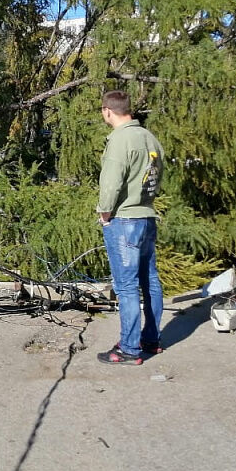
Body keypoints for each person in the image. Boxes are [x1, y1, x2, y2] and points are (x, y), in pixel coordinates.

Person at [96, 90, 165, 365]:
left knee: (126, 286)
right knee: (150, 281)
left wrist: (105, 214)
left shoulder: (120, 140)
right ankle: (150, 340)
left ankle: (129, 348)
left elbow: (111, 183)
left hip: (124, 220)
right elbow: (157, 177)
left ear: (107, 111)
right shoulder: (150, 138)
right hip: (146, 216)